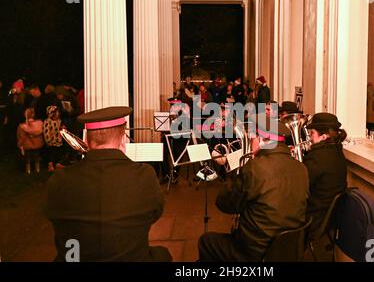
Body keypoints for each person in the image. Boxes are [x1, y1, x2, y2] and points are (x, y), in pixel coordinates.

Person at [46, 107, 172, 262]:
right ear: (123, 140)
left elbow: (52, 214)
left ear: (86, 141)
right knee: (163, 255)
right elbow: (154, 213)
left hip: (75, 258)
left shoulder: (60, 179)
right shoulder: (145, 175)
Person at [198, 115, 309, 261]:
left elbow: (224, 203)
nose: (251, 143)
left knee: (206, 241)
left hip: (256, 251)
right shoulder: (301, 167)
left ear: (261, 139)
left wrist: (236, 175)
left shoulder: (255, 168)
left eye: (252, 139)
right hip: (289, 248)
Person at [304, 113, 348, 235]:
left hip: (314, 218)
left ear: (323, 137)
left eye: (312, 133)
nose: (310, 138)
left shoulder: (317, 157)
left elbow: (300, 185)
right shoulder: (337, 152)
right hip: (331, 217)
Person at [17, 107, 44, 174]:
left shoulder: (23, 126)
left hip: (27, 145)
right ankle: (37, 169)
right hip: (38, 144)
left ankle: (28, 170)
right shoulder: (40, 123)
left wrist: (19, 144)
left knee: (28, 157)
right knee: (37, 156)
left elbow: (21, 137)